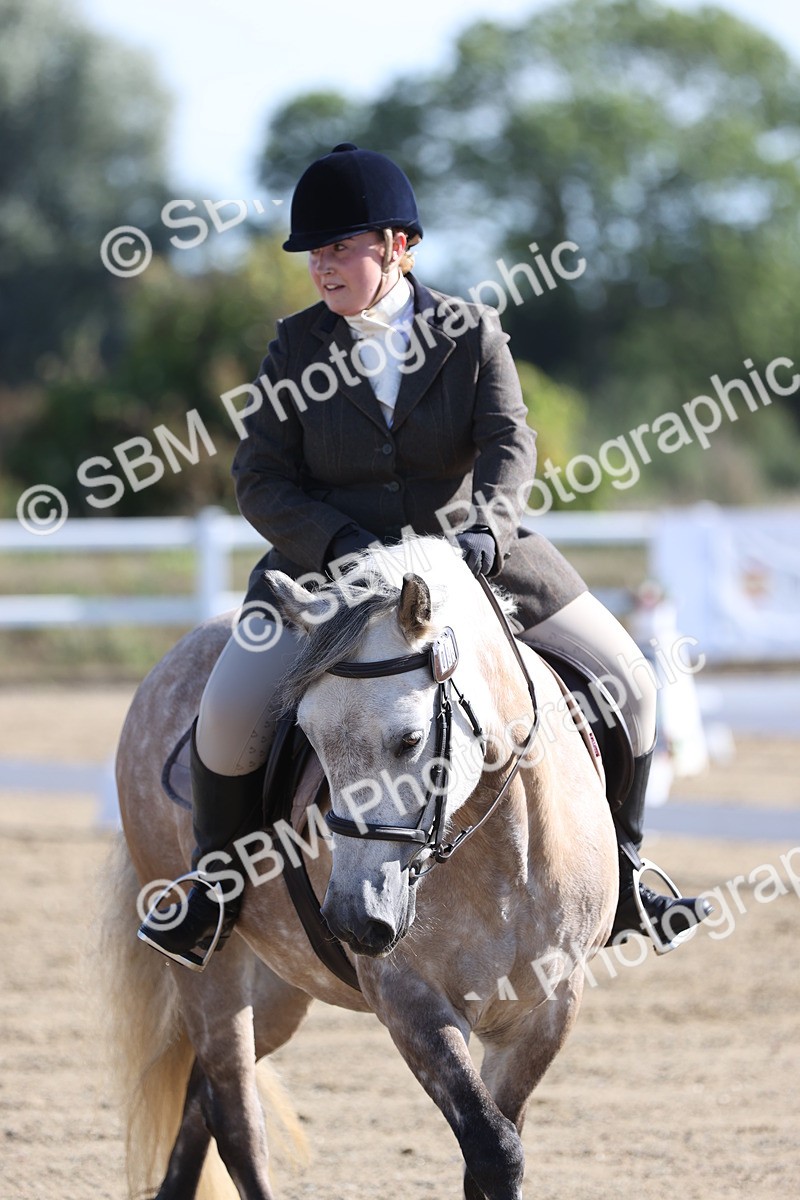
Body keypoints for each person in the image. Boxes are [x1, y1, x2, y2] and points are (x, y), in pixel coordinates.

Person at [138, 143, 711, 970]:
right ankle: (213, 889)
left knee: (632, 682)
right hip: (327, 572)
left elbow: (509, 442)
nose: (321, 266)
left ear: (398, 246)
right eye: (314, 253)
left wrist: (487, 529)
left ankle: (626, 875)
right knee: (227, 715)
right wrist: (341, 545)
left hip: (474, 557)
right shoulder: (295, 348)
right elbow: (259, 480)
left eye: (340, 248)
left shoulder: (470, 331)